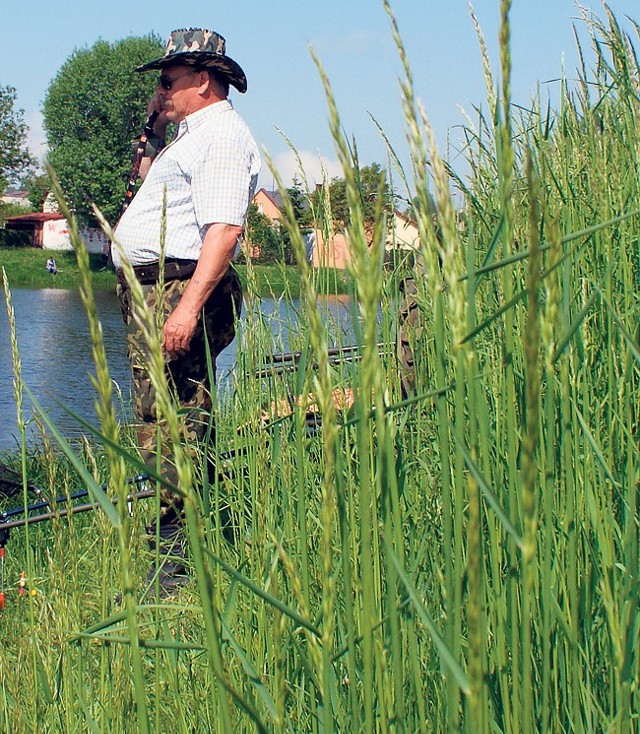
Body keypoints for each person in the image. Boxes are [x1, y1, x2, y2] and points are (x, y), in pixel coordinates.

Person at [111, 27, 261, 597]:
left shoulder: (220, 135)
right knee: (168, 415)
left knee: (173, 421)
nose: (161, 90)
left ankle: (173, 564)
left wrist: (187, 309)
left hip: (178, 289)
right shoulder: (191, 136)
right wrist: (151, 126)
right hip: (158, 289)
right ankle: (191, 543)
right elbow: (149, 189)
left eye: (168, 81)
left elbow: (224, 230)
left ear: (204, 79)